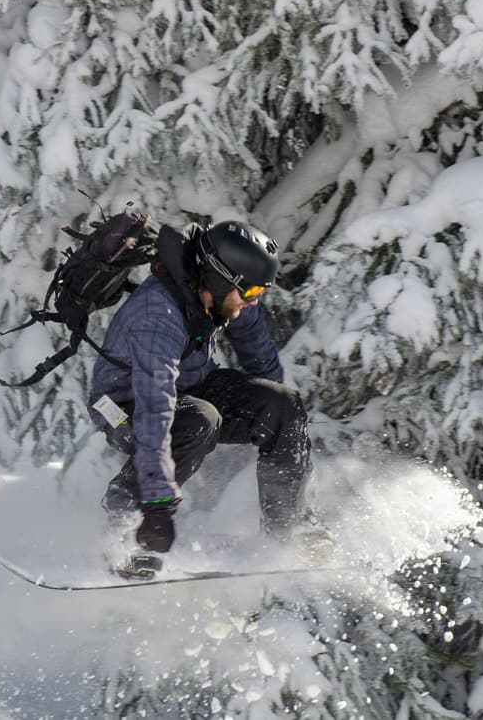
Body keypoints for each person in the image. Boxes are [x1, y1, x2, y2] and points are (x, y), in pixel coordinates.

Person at [88, 219, 327, 557]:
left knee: (282, 404)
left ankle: (290, 529)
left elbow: (259, 353)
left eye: (261, 292)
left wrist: (282, 425)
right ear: (218, 277)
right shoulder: (157, 316)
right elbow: (155, 411)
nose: (255, 301)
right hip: (122, 406)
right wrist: (157, 507)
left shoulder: (221, 293)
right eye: (251, 292)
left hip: (190, 384)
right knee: (199, 419)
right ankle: (126, 530)